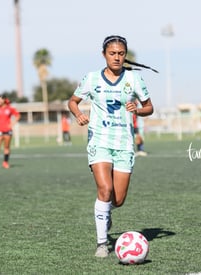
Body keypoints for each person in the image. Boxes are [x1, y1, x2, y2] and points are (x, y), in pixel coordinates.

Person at [68, 35, 156, 258]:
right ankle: (101, 243)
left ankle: (105, 211)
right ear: (104, 55)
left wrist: (137, 109)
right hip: (99, 140)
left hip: (124, 144)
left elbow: (149, 107)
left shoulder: (134, 79)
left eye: (121, 53)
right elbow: (73, 101)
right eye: (112, 53)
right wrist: (78, 114)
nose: (117, 57)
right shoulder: (91, 78)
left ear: (125, 55)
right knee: (104, 190)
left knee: (118, 199)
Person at [0, 95, 20, 169]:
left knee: (6, 147)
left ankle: (5, 163)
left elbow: (18, 115)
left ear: (4, 100)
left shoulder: (10, 108)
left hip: (8, 131)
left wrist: (12, 124)